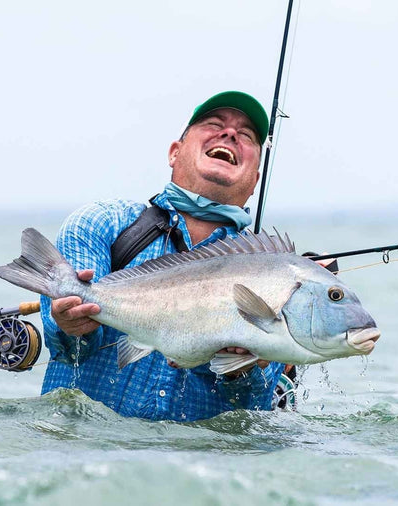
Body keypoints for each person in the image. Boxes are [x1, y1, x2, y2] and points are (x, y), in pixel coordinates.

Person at [39, 91, 286, 421]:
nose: (229, 134)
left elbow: (254, 404)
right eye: (214, 124)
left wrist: (241, 368)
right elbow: (70, 352)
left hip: (200, 454)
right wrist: (70, 324)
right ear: (174, 152)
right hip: (87, 446)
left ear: (255, 180)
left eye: (246, 135)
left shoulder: (272, 274)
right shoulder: (101, 223)